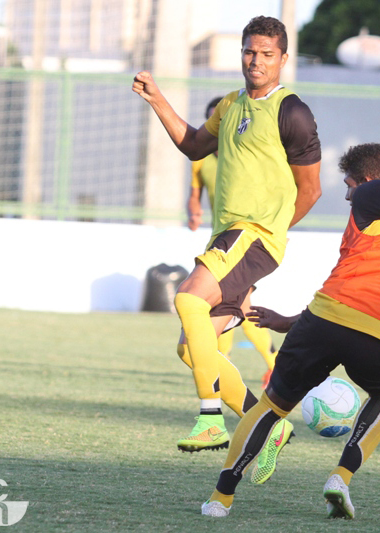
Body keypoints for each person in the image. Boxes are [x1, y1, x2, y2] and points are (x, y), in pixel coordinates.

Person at [200, 143, 380, 518]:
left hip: (327, 321)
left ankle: (220, 499)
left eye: (349, 184)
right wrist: (288, 321)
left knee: (272, 407)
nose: (347, 193)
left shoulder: (371, 195)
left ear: (370, 181)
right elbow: (355, 287)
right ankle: (340, 477)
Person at [132, 15, 322, 485]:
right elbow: (194, 146)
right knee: (189, 348)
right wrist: (158, 99)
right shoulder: (231, 106)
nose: (256, 61)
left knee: (188, 298)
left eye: (266, 54)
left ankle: (211, 417)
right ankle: (268, 424)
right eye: (249, 51)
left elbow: (312, 189)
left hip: (252, 236)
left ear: (282, 59)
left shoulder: (291, 111)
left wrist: (270, 232)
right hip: (229, 239)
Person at [187, 97, 279, 390]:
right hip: (220, 238)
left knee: (230, 303)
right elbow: (195, 191)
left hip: (246, 239)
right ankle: (250, 365)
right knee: (233, 304)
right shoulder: (201, 159)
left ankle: (267, 366)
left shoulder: (243, 155)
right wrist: (194, 210)